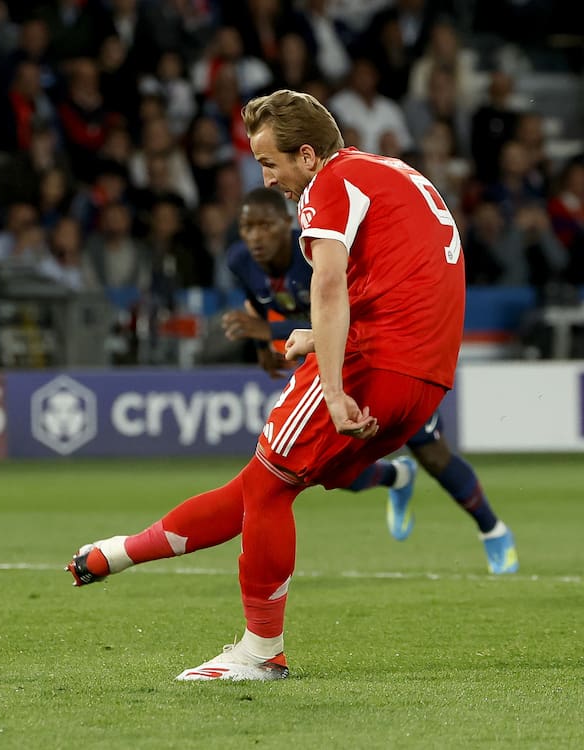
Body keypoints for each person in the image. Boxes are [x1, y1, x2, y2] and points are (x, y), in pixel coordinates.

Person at [67, 89, 468, 682]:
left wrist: (332, 386)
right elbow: (404, 272)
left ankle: (261, 651)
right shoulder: (388, 172)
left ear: (307, 155)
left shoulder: (329, 184)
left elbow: (328, 284)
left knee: (270, 491)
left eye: (269, 162)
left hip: (372, 366)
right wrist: (319, 335)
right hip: (426, 378)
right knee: (262, 486)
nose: (268, 178)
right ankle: (119, 552)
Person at [221, 187, 518, 574]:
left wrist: (268, 329)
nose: (255, 236)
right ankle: (395, 476)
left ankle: (493, 530)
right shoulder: (240, 261)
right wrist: (264, 348)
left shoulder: (314, 254)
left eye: (265, 225)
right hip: (331, 371)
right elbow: (259, 301)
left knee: (432, 454)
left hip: (379, 357)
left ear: (287, 224)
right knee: (320, 466)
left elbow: (341, 314)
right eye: (247, 226)